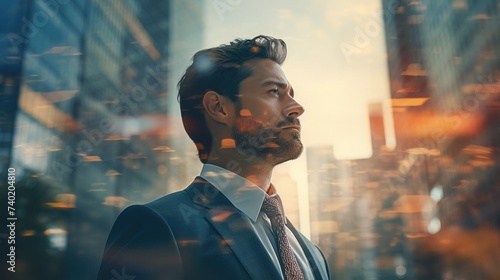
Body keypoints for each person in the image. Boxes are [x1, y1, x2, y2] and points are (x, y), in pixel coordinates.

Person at [97, 35, 331, 280]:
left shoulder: (312, 254)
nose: (297, 107)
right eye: (274, 91)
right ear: (219, 108)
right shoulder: (159, 226)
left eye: (291, 94)